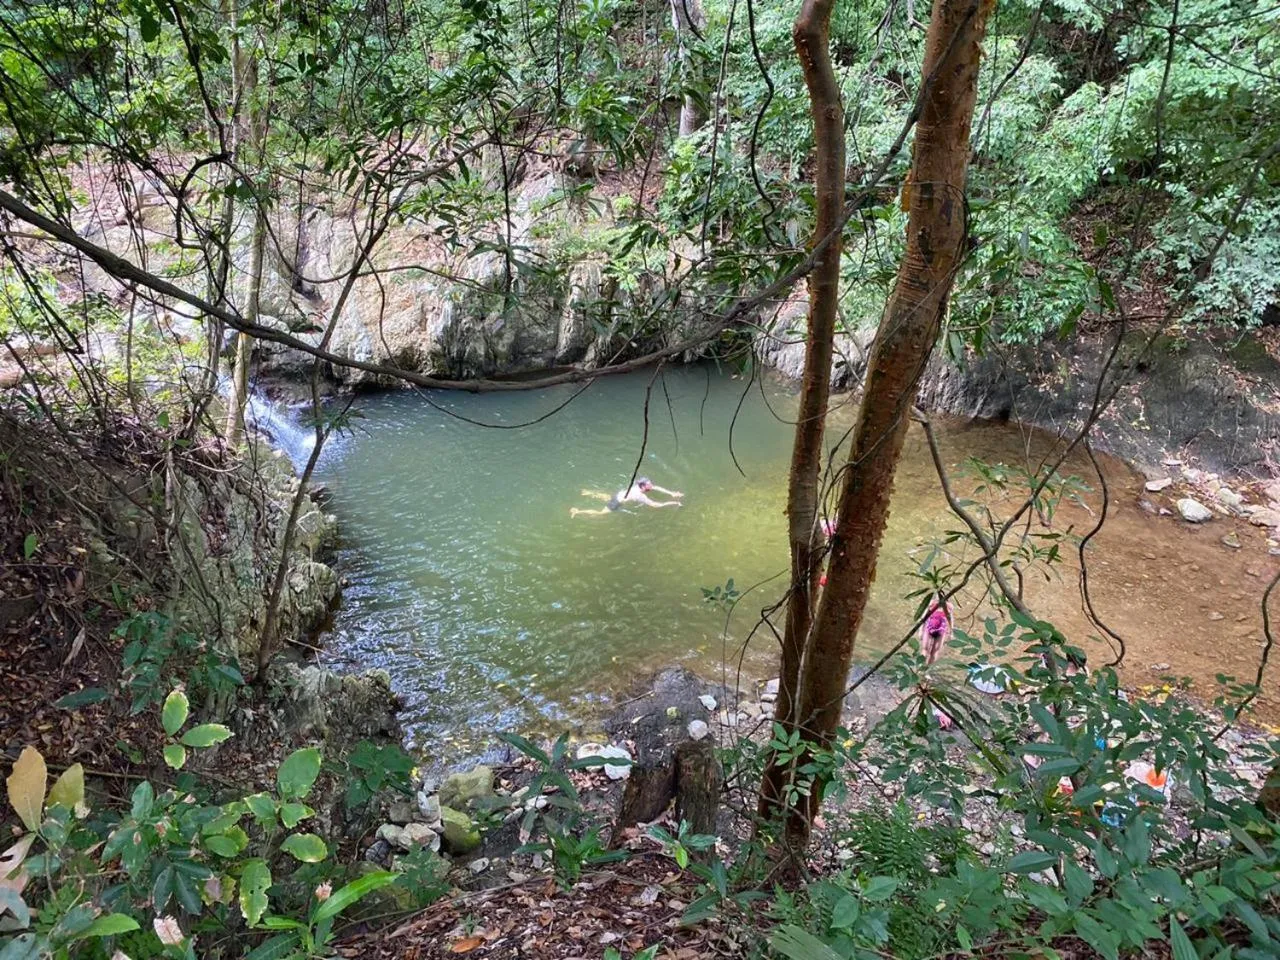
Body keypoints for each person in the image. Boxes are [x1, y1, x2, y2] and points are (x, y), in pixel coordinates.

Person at [570, 476, 683, 517]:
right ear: (643, 486)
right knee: (600, 513)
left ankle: (588, 493)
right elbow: (655, 505)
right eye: (649, 485)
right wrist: (672, 503)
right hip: (616, 503)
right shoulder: (639, 496)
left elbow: (656, 487)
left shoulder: (637, 487)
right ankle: (578, 511)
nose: (651, 486)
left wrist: (671, 493)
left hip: (618, 495)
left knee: (609, 497)